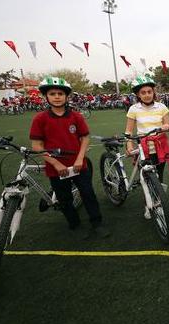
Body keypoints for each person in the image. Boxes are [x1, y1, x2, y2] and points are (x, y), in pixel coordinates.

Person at [30, 77, 110, 239]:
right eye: (53, 93)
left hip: (79, 165)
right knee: (65, 199)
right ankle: (75, 224)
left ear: (66, 96)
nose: (57, 96)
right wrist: (55, 163)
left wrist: (80, 159)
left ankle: (97, 223)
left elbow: (85, 138)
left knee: (88, 194)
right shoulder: (40, 119)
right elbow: (37, 145)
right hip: (56, 168)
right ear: (46, 96)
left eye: (60, 93)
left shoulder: (76, 117)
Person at [125, 76, 169, 218]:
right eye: (143, 92)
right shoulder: (134, 109)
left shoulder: (162, 107)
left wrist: (166, 126)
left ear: (153, 92)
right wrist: (129, 145)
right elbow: (128, 131)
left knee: (159, 177)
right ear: (138, 95)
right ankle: (148, 204)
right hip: (143, 148)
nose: (147, 95)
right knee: (146, 178)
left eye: (149, 92)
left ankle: (159, 202)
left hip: (160, 147)